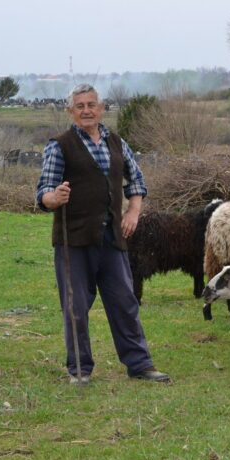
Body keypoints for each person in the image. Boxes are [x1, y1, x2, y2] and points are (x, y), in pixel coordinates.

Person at [36, 83, 169, 384]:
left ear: (102, 108)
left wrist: (133, 211)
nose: (87, 110)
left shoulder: (117, 143)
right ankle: (80, 370)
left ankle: (140, 365)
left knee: (125, 302)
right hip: (75, 240)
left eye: (91, 104)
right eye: (80, 105)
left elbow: (136, 182)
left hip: (112, 239)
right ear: (71, 111)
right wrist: (53, 198)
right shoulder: (59, 145)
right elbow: (43, 190)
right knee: (76, 307)